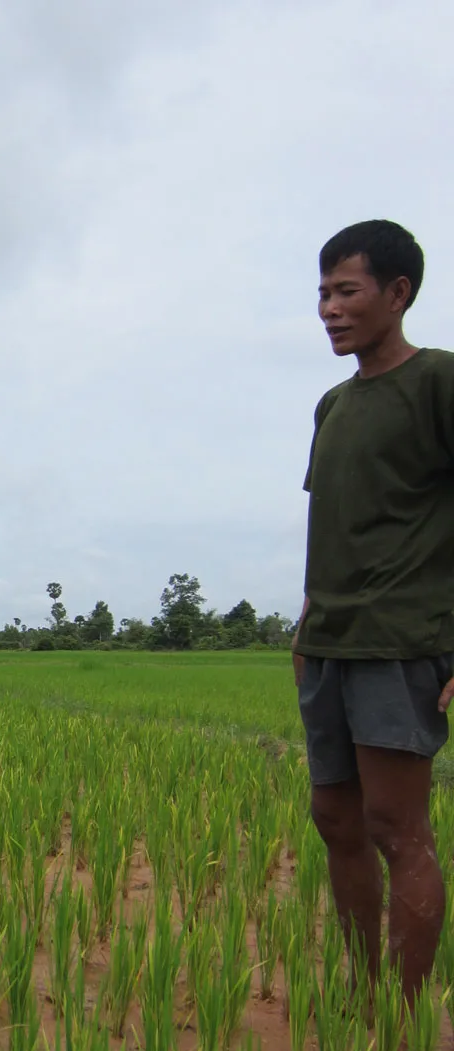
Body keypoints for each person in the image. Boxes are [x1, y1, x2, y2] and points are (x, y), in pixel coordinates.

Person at [293, 219, 454, 1000]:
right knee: (336, 821)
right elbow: (335, 522)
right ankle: (364, 989)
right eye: (322, 292)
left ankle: (400, 1014)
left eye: (346, 290)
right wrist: (305, 622)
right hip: (328, 640)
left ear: (399, 293)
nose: (329, 307)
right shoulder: (332, 406)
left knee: (398, 829)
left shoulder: (438, 383)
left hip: (399, 641)